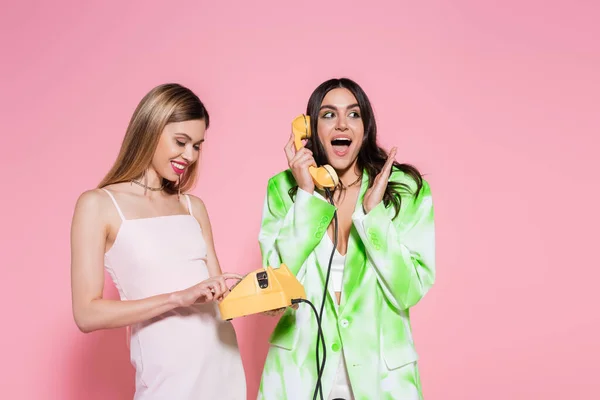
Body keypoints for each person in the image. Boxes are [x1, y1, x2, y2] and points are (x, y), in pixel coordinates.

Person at [257, 78, 435, 400]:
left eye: (353, 115)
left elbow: (410, 290)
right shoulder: (284, 190)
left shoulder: (403, 189)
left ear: (365, 128)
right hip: (299, 374)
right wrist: (307, 200)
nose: (341, 123)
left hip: (382, 379)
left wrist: (373, 216)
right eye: (328, 115)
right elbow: (271, 292)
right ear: (310, 130)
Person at [70, 83, 246, 399]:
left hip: (222, 365)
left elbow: (222, 299)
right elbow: (86, 314)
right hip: (168, 376)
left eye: (197, 145)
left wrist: (263, 296)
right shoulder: (99, 204)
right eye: (181, 142)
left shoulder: (193, 207)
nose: (189, 155)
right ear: (151, 129)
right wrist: (176, 298)